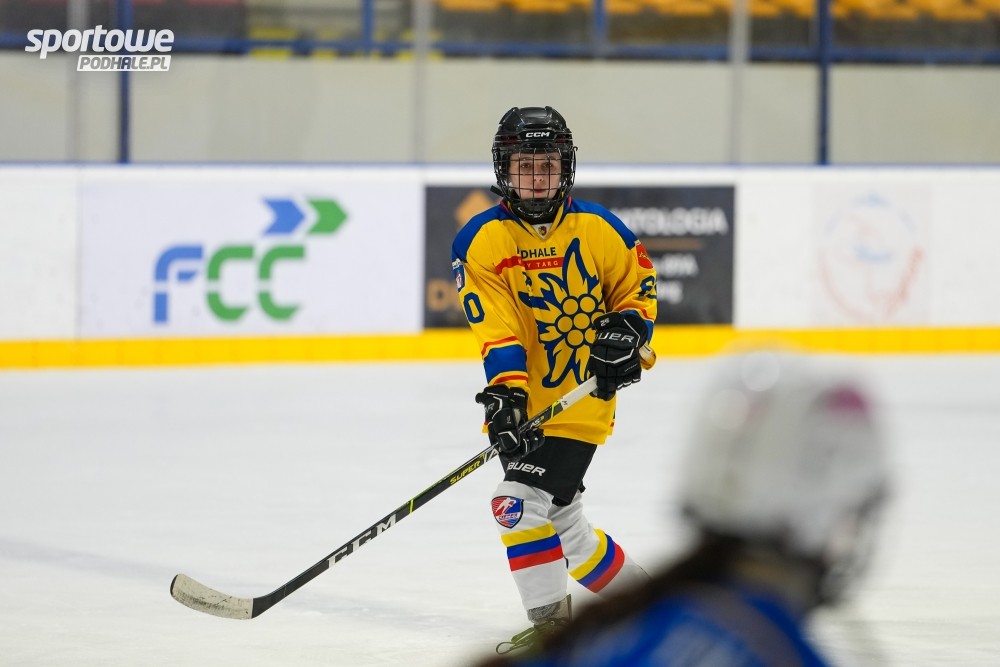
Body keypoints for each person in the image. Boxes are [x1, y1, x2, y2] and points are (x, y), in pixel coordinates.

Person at [478, 349, 892, 667]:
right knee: (561, 525)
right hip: (544, 401)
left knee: (530, 510)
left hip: (574, 406)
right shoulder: (779, 650)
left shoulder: (604, 640)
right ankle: (550, 618)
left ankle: (549, 622)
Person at [451, 106, 659, 655]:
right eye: (525, 166)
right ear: (504, 170)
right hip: (529, 403)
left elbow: (638, 291)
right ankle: (652, 612)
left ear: (566, 166)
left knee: (516, 504)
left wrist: (628, 332)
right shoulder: (481, 240)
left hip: (583, 399)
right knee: (565, 526)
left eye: (547, 165)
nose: (537, 178)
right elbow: (497, 331)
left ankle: (553, 639)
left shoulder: (599, 228)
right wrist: (506, 396)